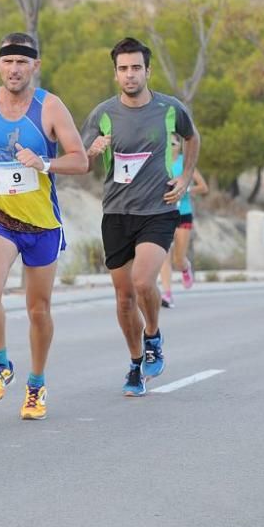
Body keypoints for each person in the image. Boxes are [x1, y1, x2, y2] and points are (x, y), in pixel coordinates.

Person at [0, 33, 87, 419]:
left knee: (38, 309)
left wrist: (45, 164)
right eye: (8, 61)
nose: (14, 69)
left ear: (35, 65)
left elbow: (80, 160)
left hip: (41, 221)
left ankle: (36, 384)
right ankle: (1, 365)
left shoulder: (49, 107)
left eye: (22, 62)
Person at [83, 37, 199, 395]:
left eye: (136, 68)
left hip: (158, 209)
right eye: (123, 69)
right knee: (123, 298)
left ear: (148, 71)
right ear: (115, 73)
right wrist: (92, 150)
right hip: (116, 212)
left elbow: (192, 139)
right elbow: (83, 162)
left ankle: (153, 336)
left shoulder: (170, 108)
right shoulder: (102, 114)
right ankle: (135, 363)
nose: (129, 75)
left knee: (144, 282)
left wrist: (185, 177)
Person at [159, 133, 208, 308]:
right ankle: (167, 293)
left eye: (174, 143)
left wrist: (186, 189)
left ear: (180, 145)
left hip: (183, 213)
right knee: (163, 253)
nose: (171, 145)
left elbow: (203, 187)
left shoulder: (185, 163)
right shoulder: (158, 162)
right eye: (168, 142)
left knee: (178, 259)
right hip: (163, 212)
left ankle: (185, 267)